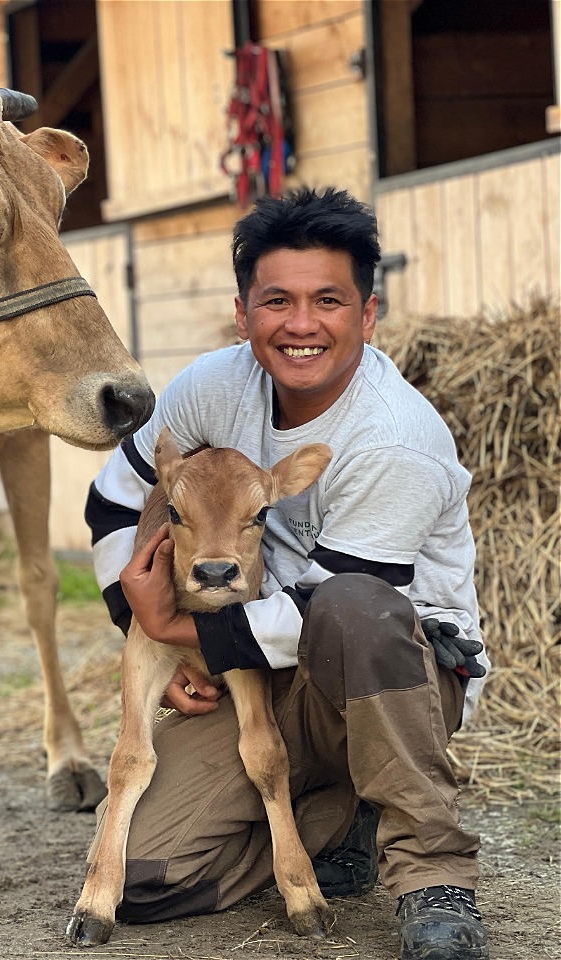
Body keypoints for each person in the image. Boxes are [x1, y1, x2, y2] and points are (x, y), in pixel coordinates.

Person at [84, 187, 490, 960]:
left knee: (353, 605)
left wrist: (174, 625)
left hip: (394, 678)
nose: (300, 325)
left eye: (328, 301)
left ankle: (432, 870)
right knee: (143, 877)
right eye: (277, 301)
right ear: (243, 315)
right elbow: (114, 496)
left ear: (367, 316)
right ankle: (339, 812)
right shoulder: (214, 385)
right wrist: (130, 613)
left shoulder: (392, 437)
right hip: (269, 678)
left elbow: (319, 613)